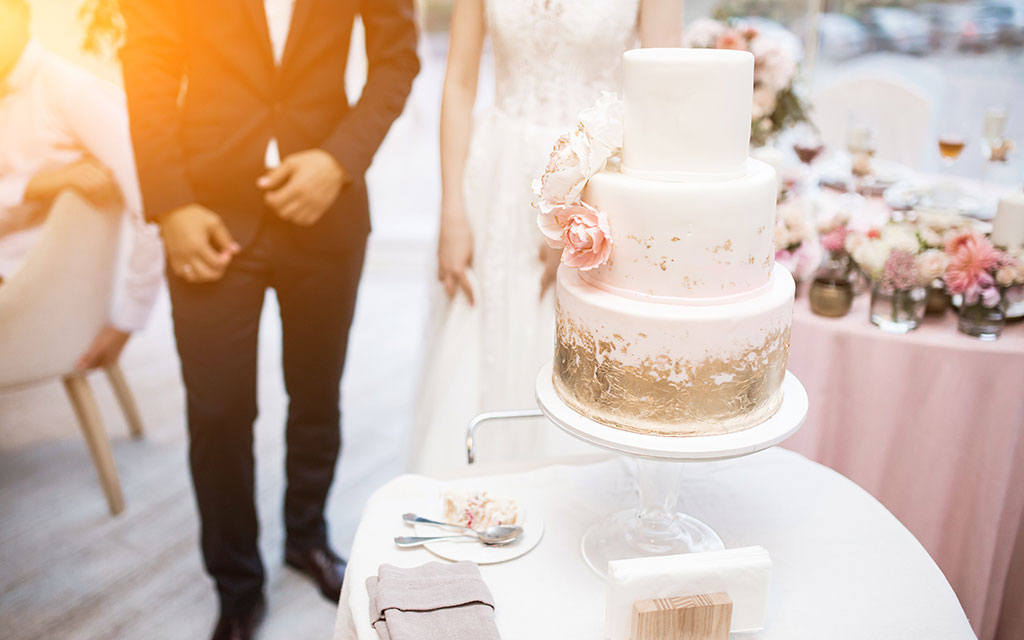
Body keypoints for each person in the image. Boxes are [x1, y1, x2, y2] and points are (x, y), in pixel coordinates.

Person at [119, 1, 419, 638]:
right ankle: (236, 585)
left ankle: (306, 536)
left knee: (316, 391)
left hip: (326, 211)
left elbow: (397, 59)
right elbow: (145, 62)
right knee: (219, 408)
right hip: (207, 214)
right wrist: (171, 205)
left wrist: (338, 161)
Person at [410, 0, 682, 473]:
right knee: (479, 335)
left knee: (571, 346)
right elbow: (458, 83)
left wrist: (589, 204)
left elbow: (660, 94)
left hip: (599, 183)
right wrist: (451, 208)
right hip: (495, 181)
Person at [0, 0, 163, 369]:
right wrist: (37, 185)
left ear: (19, 13)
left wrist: (127, 320)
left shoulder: (72, 91)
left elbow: (151, 200)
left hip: (29, 286)